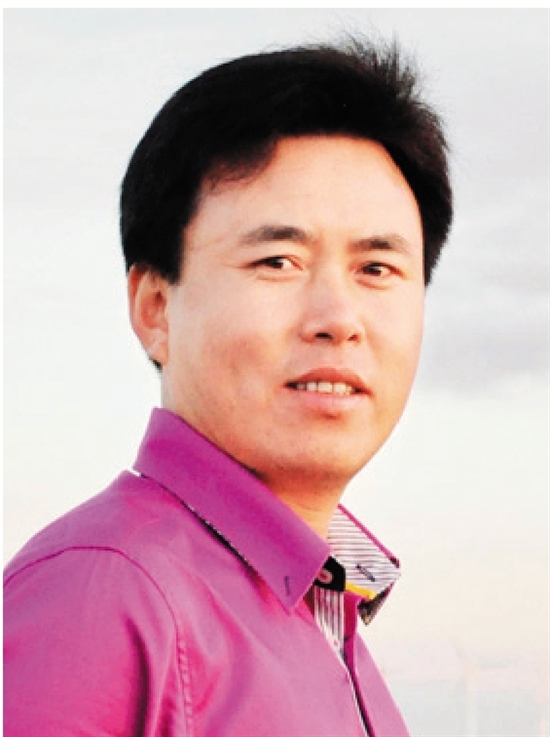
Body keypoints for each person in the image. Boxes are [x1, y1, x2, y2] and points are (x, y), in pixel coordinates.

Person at [4, 35, 452, 737]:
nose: (338, 320)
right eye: (278, 261)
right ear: (156, 308)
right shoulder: (103, 596)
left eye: (376, 269)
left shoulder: (328, 622)